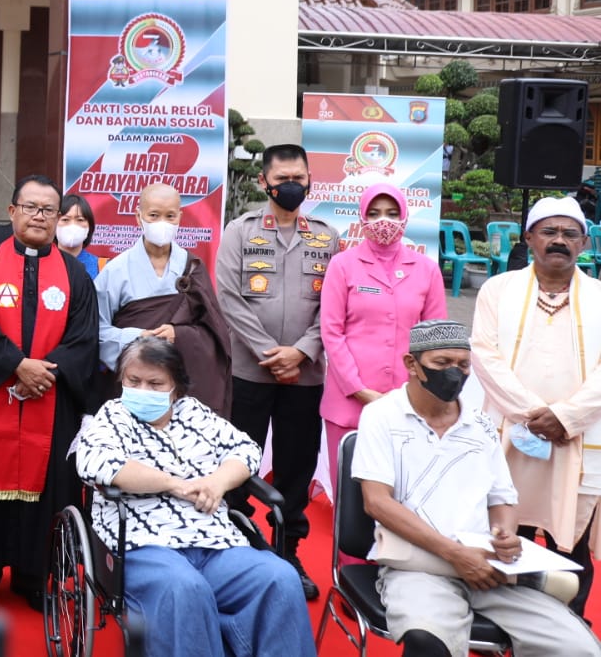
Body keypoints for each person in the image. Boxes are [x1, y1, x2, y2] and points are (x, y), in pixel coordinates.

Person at [354, 319, 601, 657]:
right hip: (419, 566)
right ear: (412, 364)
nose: (454, 373)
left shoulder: (480, 424)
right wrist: (454, 554)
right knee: (428, 640)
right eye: (442, 363)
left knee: (576, 647)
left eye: (463, 365)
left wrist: (504, 534)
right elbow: (377, 503)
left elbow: (502, 498)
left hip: (486, 568)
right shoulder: (381, 415)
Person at [76, 338, 316, 657]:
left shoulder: (194, 414)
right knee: (185, 587)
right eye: (133, 381)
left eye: (155, 383)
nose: (143, 390)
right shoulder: (112, 416)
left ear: (176, 388)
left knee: (279, 577)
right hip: (143, 542)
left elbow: (245, 449)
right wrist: (173, 484)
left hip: (214, 540)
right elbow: (96, 463)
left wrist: (218, 482)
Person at [0, 174, 98, 610]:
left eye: (49, 210)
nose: (39, 216)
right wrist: (17, 365)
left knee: (49, 491)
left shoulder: (75, 276)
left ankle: (35, 578)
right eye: (30, 207)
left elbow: (83, 338)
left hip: (52, 399)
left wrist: (44, 373)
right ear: (12, 211)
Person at [471, 194, 601, 615]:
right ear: (528, 238)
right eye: (549, 231)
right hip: (512, 435)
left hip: (579, 437)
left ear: (584, 243)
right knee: (509, 536)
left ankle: (569, 627)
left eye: (570, 233)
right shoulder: (497, 290)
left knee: (573, 547)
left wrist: (565, 416)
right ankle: (507, 623)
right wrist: (533, 415)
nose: (559, 240)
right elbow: (483, 356)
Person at [215, 143, 331, 598]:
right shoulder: (240, 231)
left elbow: (332, 308)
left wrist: (300, 352)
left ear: (309, 180)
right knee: (238, 461)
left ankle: (288, 552)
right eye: (282, 178)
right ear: (264, 181)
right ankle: (237, 543)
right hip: (249, 372)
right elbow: (229, 298)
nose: (291, 185)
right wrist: (271, 353)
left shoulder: (327, 236)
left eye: (299, 178)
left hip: (306, 376)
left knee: (296, 467)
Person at [319, 182, 445, 531]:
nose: (383, 221)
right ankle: (348, 563)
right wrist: (359, 389)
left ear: (405, 216)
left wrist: (414, 391)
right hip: (349, 404)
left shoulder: (426, 269)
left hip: (409, 404)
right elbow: (332, 332)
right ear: (361, 217)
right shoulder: (343, 265)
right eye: (374, 214)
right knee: (351, 502)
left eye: (391, 213)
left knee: (404, 499)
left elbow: (435, 339)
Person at [94, 183, 230, 414]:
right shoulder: (115, 270)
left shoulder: (192, 267)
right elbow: (96, 330)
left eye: (170, 216)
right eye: (154, 215)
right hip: (132, 384)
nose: (162, 223)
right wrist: (136, 338)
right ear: (139, 217)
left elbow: (214, 332)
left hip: (178, 386)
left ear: (180, 217)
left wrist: (180, 334)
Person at [56, 194, 100, 278]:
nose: (73, 225)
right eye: (65, 219)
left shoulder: (100, 267)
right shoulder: (40, 263)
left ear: (89, 226)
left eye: (80, 220)